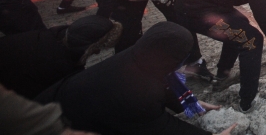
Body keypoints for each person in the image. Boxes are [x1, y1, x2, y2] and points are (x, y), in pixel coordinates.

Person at [36, 22, 236, 135]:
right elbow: (162, 128)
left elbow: (165, 79)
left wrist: (191, 103)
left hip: (61, 103)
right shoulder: (137, 91)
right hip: (52, 125)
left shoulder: (140, 56)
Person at [0, 15, 121, 99]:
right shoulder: (59, 64)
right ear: (89, 46)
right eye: (98, 48)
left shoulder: (56, 35)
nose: (98, 52)